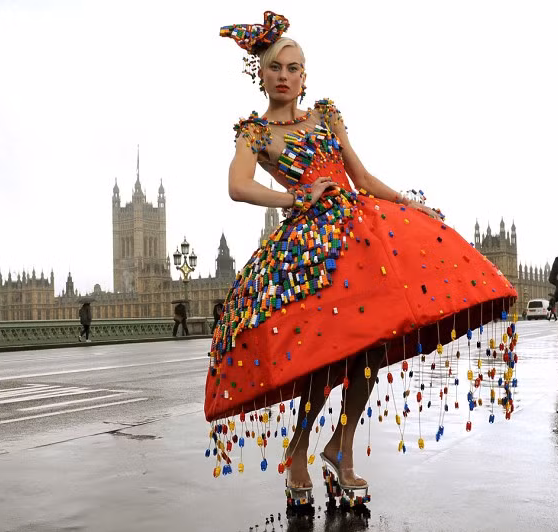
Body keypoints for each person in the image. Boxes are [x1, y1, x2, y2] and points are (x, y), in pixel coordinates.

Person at [206, 11, 518, 509]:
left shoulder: (327, 115)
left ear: (305, 76)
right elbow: (237, 186)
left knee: (370, 348)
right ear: (260, 75)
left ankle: (340, 447)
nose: (285, 75)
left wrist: (408, 203)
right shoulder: (254, 134)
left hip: (365, 240)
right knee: (326, 356)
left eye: (295, 67)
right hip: (315, 255)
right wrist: (297, 196)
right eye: (275, 68)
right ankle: (299, 449)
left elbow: (362, 177)